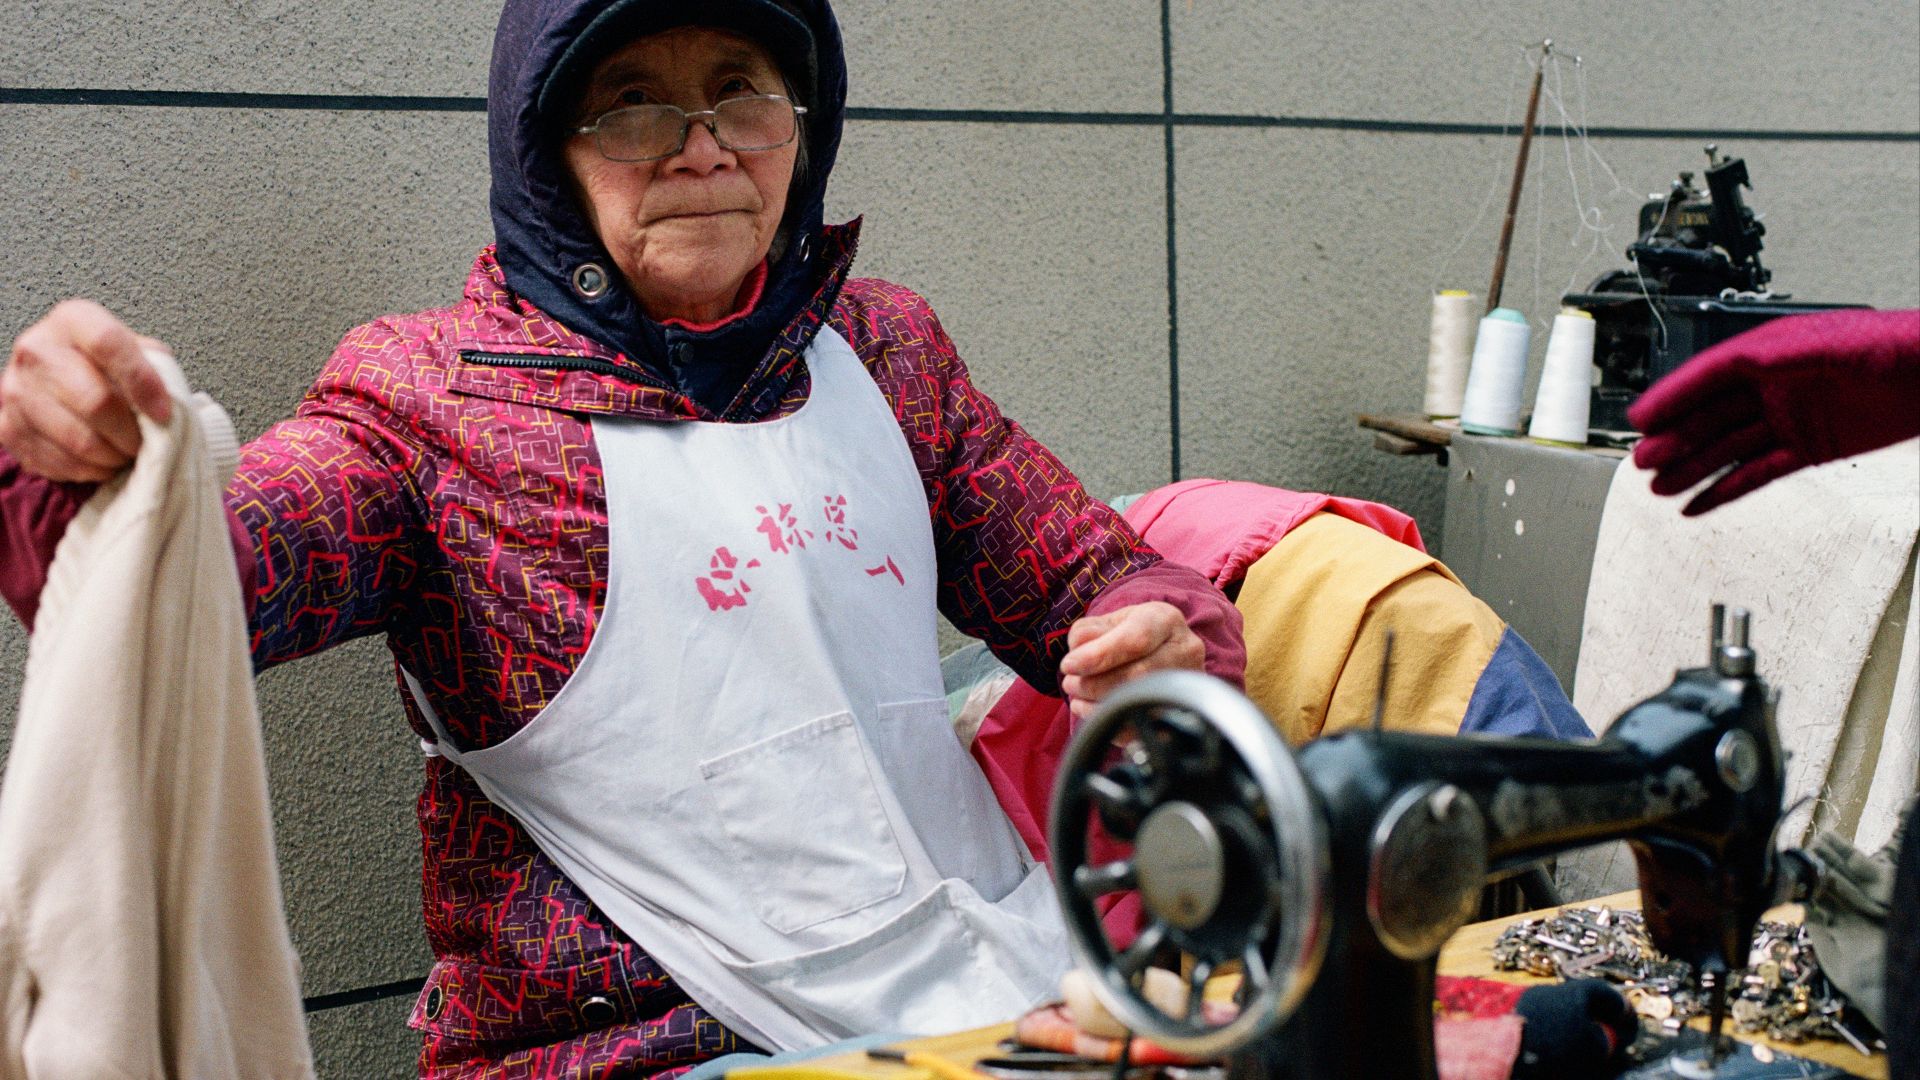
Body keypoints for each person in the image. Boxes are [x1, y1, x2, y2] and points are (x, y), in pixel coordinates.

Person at [0, 1, 1244, 1075]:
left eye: (741, 96)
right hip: (641, 1047)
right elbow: (193, 577)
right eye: (635, 105)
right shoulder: (432, 403)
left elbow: (1093, 575)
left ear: (801, 130)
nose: (702, 151)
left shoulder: (887, 352)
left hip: (1000, 983)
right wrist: (84, 477)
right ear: (547, 156)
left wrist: (1158, 632)